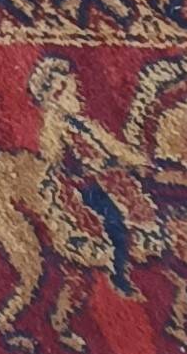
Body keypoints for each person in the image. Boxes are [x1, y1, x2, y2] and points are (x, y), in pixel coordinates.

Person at [31, 55, 159, 295]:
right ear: (55, 97)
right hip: (80, 187)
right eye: (70, 90)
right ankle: (119, 273)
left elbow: (112, 145)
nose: (77, 93)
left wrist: (141, 161)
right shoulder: (54, 126)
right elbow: (54, 157)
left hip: (103, 178)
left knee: (140, 196)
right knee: (115, 220)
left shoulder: (84, 124)